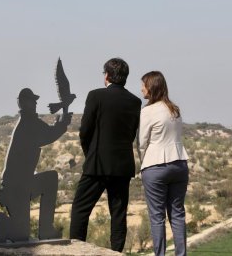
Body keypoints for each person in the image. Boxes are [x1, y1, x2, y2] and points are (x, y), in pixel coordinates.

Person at [70, 58, 141, 252]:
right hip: (122, 165)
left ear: (107, 75)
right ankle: (116, 252)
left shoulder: (96, 96)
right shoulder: (135, 102)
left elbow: (85, 131)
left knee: (80, 210)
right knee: (118, 214)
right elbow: (131, 133)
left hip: (97, 164)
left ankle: (77, 251)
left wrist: (90, 153)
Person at [0, 88, 72, 242]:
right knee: (21, 235)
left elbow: (47, 132)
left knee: (50, 179)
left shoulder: (28, 121)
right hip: (17, 186)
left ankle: (46, 229)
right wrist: (62, 125)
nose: (35, 103)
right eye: (32, 100)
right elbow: (48, 135)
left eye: (35, 100)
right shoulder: (28, 122)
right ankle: (4, 223)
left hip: (21, 184)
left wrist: (60, 124)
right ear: (23, 103)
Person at [137, 71, 189, 256]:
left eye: (144, 84)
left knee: (157, 217)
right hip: (180, 163)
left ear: (151, 87)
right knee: (177, 213)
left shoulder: (148, 111)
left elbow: (142, 142)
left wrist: (143, 162)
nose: (141, 88)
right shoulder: (174, 109)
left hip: (155, 165)